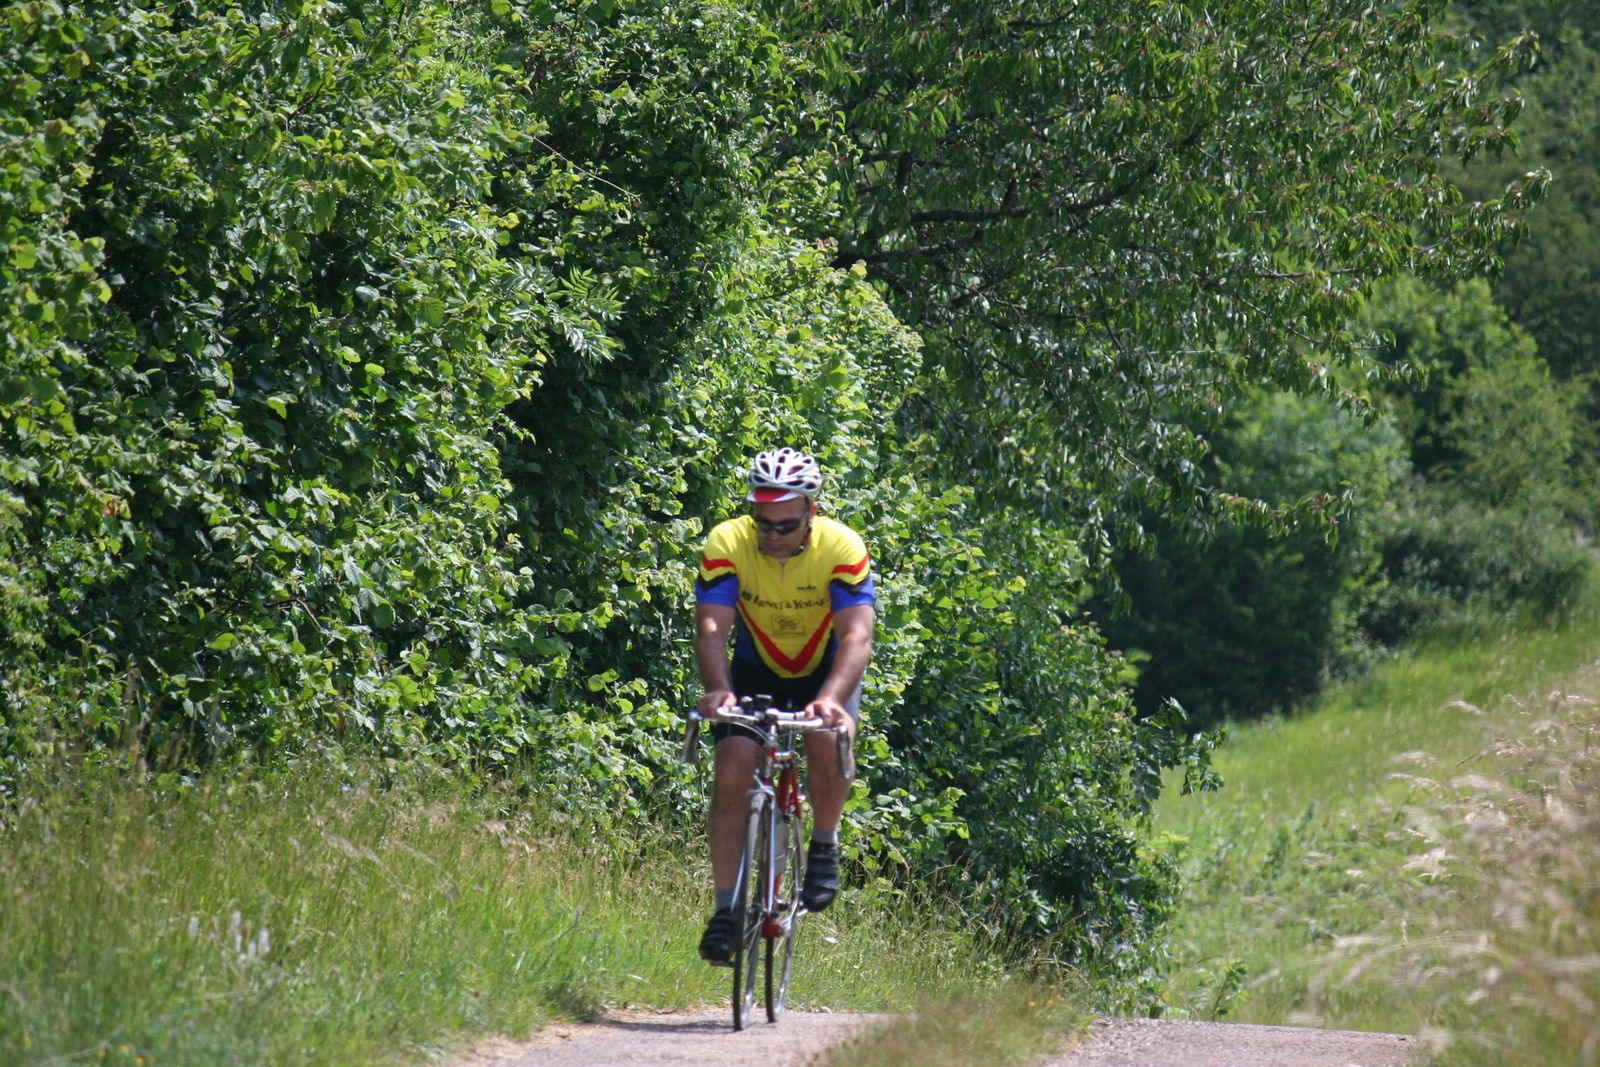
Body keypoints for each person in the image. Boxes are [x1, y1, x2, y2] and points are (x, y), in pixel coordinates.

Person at [693, 446, 874, 965]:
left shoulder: (842, 547)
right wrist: (719, 689)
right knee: (733, 766)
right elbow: (712, 628)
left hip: (825, 672)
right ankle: (726, 911)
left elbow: (857, 637)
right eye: (763, 523)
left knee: (827, 737)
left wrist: (830, 700)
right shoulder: (728, 541)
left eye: (786, 525)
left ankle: (824, 843)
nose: (773, 535)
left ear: (811, 512)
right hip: (756, 671)